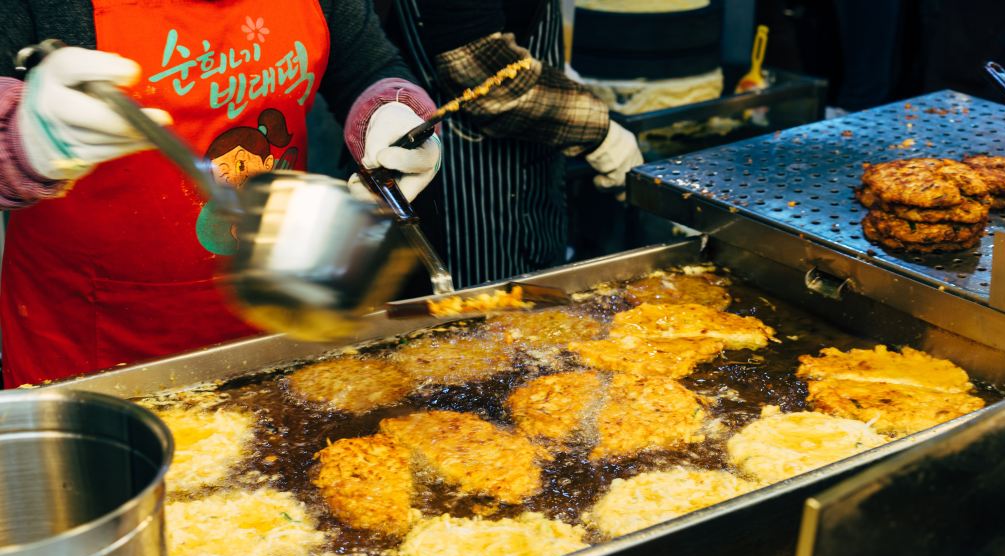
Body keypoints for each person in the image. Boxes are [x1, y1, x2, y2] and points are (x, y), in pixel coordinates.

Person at [0, 0, 442, 387]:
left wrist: (391, 110)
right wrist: (20, 143)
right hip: (92, 338)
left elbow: (366, 66)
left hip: (284, 306)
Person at [366, 0, 644, 288]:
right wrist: (599, 131)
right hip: (467, 179)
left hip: (524, 170)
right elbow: (476, 64)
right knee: (485, 314)